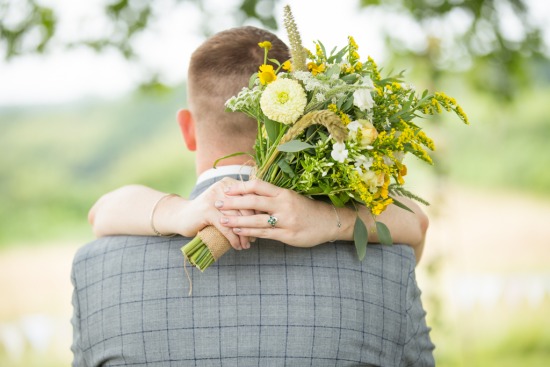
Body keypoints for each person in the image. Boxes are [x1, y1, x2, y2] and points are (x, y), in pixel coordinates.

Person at [71, 26, 435, 366]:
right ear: (305, 127)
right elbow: (417, 221)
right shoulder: (387, 268)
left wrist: (178, 213)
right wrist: (331, 221)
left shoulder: (95, 269)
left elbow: (100, 213)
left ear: (187, 128)